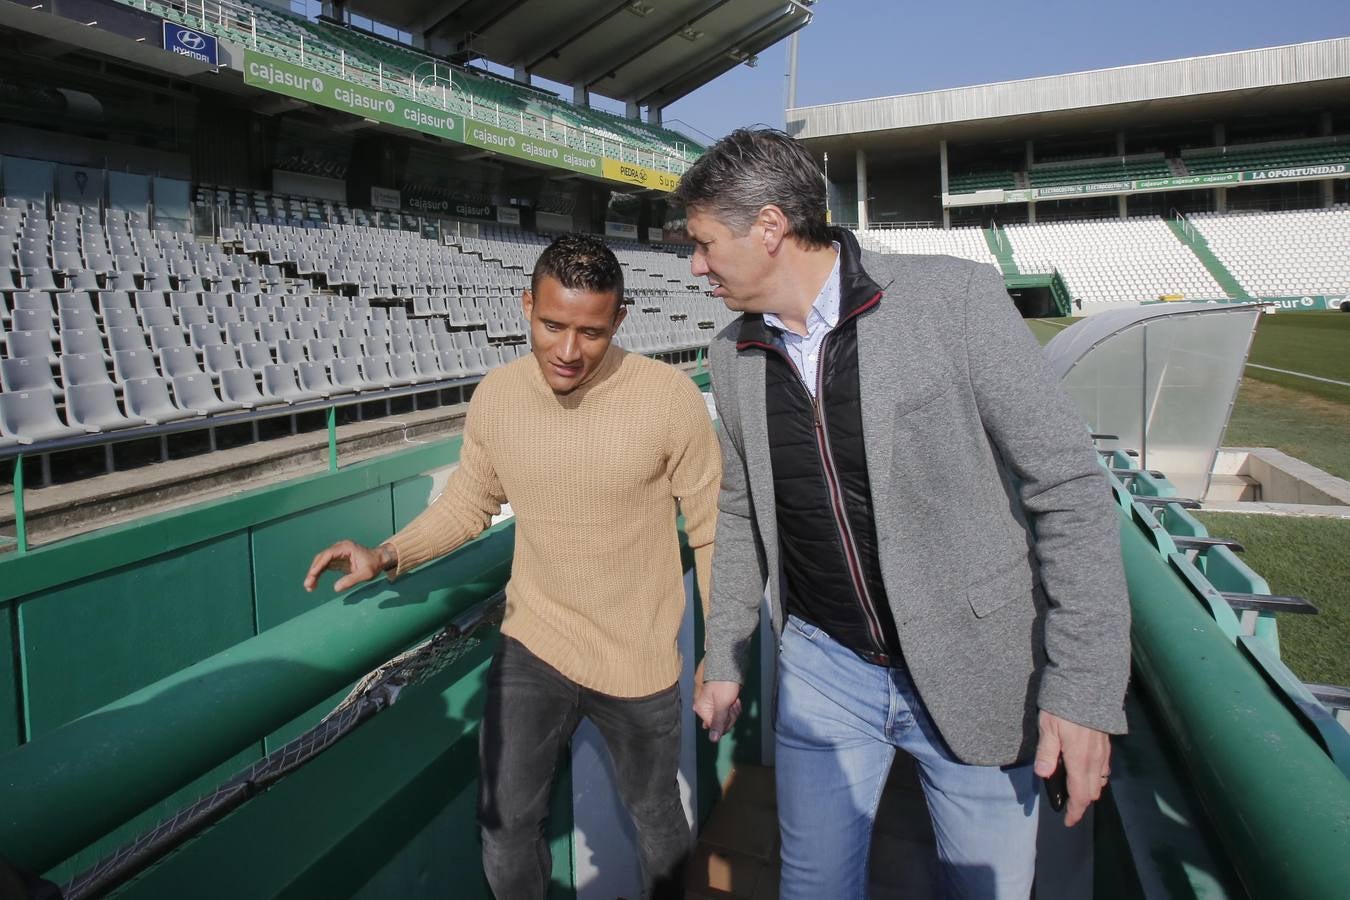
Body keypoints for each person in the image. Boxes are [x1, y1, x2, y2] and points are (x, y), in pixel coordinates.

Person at [680, 128, 1130, 899]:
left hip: (977, 664)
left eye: (702, 243)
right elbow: (743, 508)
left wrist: (1083, 692)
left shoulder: (954, 298)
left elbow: (1069, 488)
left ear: (768, 228)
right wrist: (725, 651)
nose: (693, 266)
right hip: (824, 667)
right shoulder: (730, 352)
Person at [303, 233, 721, 899]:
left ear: (620, 318)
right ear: (526, 305)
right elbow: (469, 503)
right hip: (534, 646)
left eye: (590, 331)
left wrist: (720, 650)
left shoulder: (669, 399)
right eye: (551, 325)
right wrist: (387, 552)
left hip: (638, 658)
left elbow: (709, 529)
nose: (567, 350)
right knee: (504, 826)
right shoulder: (497, 395)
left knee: (656, 817)